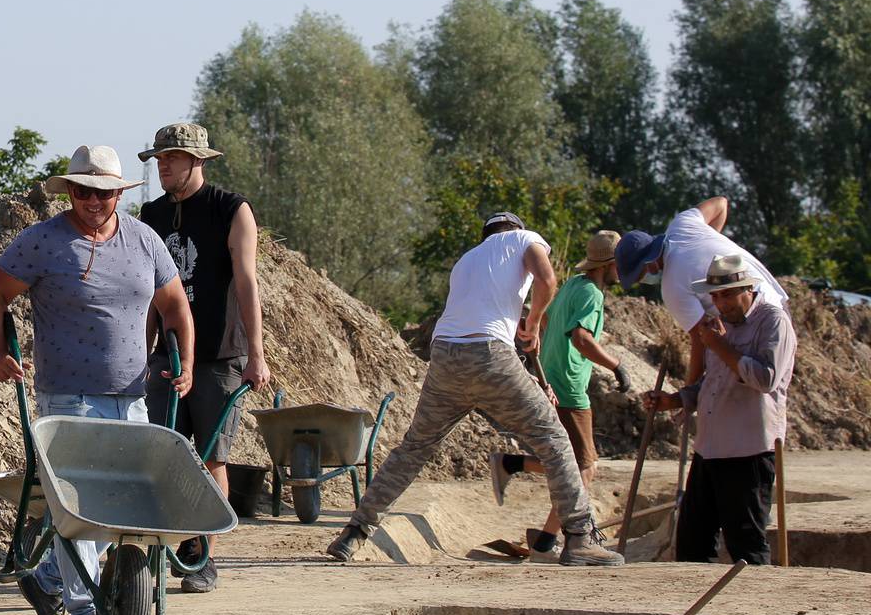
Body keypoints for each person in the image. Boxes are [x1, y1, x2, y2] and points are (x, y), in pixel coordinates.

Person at [0, 144, 194, 615]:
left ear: (120, 193)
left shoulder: (144, 241)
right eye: (83, 191)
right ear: (70, 191)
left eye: (103, 192)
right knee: (82, 508)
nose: (93, 201)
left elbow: (175, 307)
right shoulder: (42, 242)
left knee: (123, 503)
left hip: (130, 395)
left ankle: (51, 579)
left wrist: (184, 364)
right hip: (67, 396)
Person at [326, 213, 622, 566]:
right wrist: (532, 324)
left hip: (445, 358)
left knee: (413, 449)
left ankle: (354, 533)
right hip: (490, 356)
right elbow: (546, 279)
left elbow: (479, 313)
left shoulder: (467, 260)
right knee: (555, 441)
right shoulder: (525, 239)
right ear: (516, 228)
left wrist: (520, 333)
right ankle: (578, 538)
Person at [137, 121, 270, 594]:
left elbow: (247, 283)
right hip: (167, 359)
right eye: (159, 158)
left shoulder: (230, 210)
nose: (163, 165)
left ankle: (202, 556)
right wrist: (142, 354)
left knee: (212, 457)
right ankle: (164, 548)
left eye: (171, 157)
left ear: (198, 160)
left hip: (218, 353)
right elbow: (147, 294)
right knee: (163, 459)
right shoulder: (149, 215)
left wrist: (256, 354)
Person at [489, 230, 636, 560]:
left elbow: (544, 323)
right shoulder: (592, 295)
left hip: (555, 378)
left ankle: (543, 536)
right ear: (611, 265)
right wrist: (617, 366)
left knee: (570, 464)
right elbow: (581, 337)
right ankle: (569, 540)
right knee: (584, 468)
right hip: (570, 386)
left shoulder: (571, 285)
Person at [643, 255, 796, 564]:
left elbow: (765, 378)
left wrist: (719, 346)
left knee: (747, 545)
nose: (721, 303)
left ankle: (756, 609)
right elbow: (712, 383)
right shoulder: (721, 327)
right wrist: (675, 400)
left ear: (748, 289)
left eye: (727, 294)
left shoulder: (773, 321)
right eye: (715, 296)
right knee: (692, 545)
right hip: (709, 450)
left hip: (748, 451)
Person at [614, 195, 787, 386]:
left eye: (640, 275)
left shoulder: (672, 286)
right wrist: (716, 264)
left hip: (750, 323)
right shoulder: (682, 224)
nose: (644, 280)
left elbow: (700, 340)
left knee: (753, 390)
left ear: (651, 264)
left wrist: (688, 396)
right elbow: (721, 203)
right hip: (775, 302)